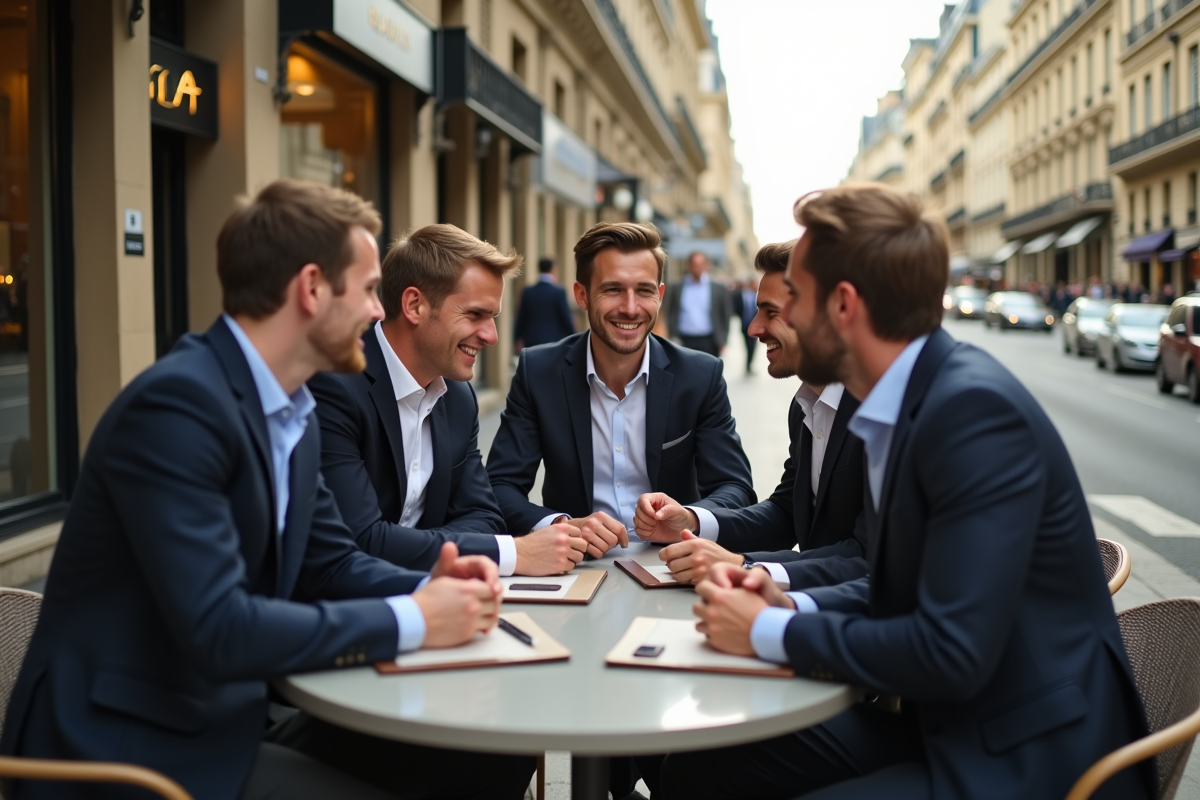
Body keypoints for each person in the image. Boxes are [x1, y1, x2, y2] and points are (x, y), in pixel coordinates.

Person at [0, 180, 534, 800]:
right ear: (310, 289)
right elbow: (219, 628)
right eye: (366, 291)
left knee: (482, 750)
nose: (375, 312)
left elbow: (333, 563)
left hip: (226, 715)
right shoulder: (176, 407)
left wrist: (443, 589)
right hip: (128, 748)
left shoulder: (290, 409)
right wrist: (415, 617)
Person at [661, 183, 1152, 800]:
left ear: (842, 305)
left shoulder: (970, 412)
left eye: (797, 299)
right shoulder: (911, 399)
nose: (768, 320)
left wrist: (768, 630)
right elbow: (903, 595)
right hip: (953, 724)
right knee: (703, 751)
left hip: (1028, 758)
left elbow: (951, 649)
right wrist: (784, 603)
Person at [303, 225, 585, 575]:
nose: (492, 336)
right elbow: (358, 540)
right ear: (414, 305)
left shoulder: (458, 397)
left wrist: (410, 545)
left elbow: (486, 517)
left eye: (493, 318)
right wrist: (514, 554)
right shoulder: (335, 386)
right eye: (475, 314)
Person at [643, 240, 867, 591]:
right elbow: (785, 513)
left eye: (770, 312)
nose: (753, 328)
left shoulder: (880, 413)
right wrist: (694, 521)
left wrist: (745, 566)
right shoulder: (806, 405)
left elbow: (869, 556)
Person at [662, 251, 733, 356]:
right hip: (684, 340)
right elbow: (670, 312)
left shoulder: (718, 288)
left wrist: (723, 339)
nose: (697, 268)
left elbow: (725, 314)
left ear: (706, 265)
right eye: (694, 265)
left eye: (700, 265)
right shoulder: (676, 287)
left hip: (710, 340)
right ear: (688, 266)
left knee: (709, 371)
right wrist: (672, 334)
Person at [513, 256, 575, 351]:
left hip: (532, 341)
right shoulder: (558, 292)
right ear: (553, 269)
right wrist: (574, 337)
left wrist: (517, 338)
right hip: (554, 341)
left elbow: (521, 318)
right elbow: (566, 318)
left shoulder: (528, 292)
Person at [731, 276, 760, 374]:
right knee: (747, 346)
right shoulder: (742, 295)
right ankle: (748, 365)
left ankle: (749, 365)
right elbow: (736, 308)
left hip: (755, 326)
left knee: (752, 347)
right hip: (744, 326)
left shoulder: (758, 296)